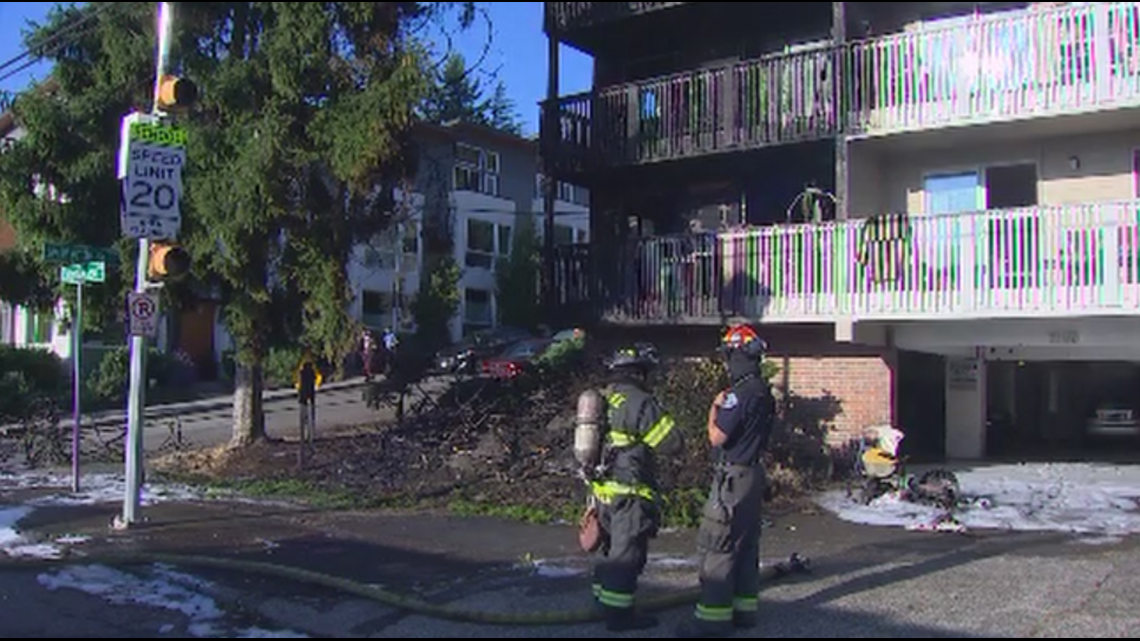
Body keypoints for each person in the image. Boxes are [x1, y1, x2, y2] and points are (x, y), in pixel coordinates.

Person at [677, 324, 776, 638]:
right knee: (746, 546)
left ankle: (712, 623)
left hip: (732, 479)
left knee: (718, 546)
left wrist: (714, 407)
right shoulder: (764, 392)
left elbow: (716, 437)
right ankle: (745, 614)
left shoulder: (737, 395)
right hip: (754, 476)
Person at [587, 343, 683, 632]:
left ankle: (603, 604)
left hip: (602, 492)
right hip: (630, 493)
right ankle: (619, 617)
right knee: (626, 555)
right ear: (640, 373)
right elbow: (671, 443)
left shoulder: (605, 398)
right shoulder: (639, 401)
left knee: (607, 551)